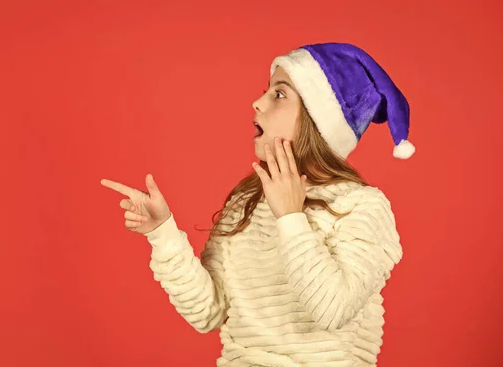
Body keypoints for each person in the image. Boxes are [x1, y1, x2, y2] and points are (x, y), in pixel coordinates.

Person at [101, 42, 414, 367]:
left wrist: (291, 217)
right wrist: (162, 233)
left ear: (317, 119)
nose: (257, 102)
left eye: (279, 94)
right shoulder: (246, 203)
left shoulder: (362, 206)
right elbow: (208, 313)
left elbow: (331, 310)